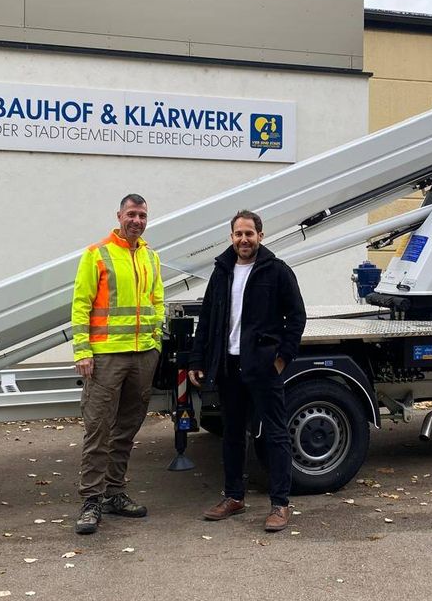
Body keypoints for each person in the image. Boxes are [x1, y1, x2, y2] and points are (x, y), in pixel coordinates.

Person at [189, 210, 307, 532]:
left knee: (275, 435)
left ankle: (281, 504)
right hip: (229, 366)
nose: (244, 239)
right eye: (238, 234)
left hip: (263, 368)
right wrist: (198, 360)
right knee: (232, 434)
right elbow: (209, 322)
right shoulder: (222, 271)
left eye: (249, 234)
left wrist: (281, 360)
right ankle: (234, 497)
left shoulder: (277, 271)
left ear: (260, 236)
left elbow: (297, 318)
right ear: (231, 238)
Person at [71, 193, 164, 535]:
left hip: (143, 356)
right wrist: (82, 351)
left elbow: (157, 300)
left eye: (142, 215)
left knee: (126, 429)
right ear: (119, 216)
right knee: (98, 429)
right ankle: (91, 501)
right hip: (106, 356)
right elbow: (80, 305)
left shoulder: (151, 257)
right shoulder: (97, 254)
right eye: (131, 214)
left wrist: (155, 340)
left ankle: (114, 493)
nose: (137, 220)